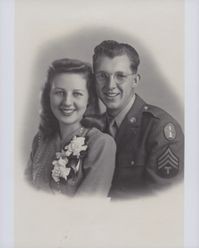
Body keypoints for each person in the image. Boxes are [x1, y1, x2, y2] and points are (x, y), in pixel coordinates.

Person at [85, 40, 184, 199]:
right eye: (102, 76)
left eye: (120, 76)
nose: (110, 85)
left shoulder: (159, 129)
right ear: (94, 80)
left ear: (135, 80)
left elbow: (163, 204)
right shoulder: (90, 126)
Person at [25, 58, 116, 197]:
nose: (67, 102)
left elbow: (85, 210)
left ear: (89, 99)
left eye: (77, 94)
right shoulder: (40, 140)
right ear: (48, 96)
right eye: (59, 92)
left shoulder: (101, 144)